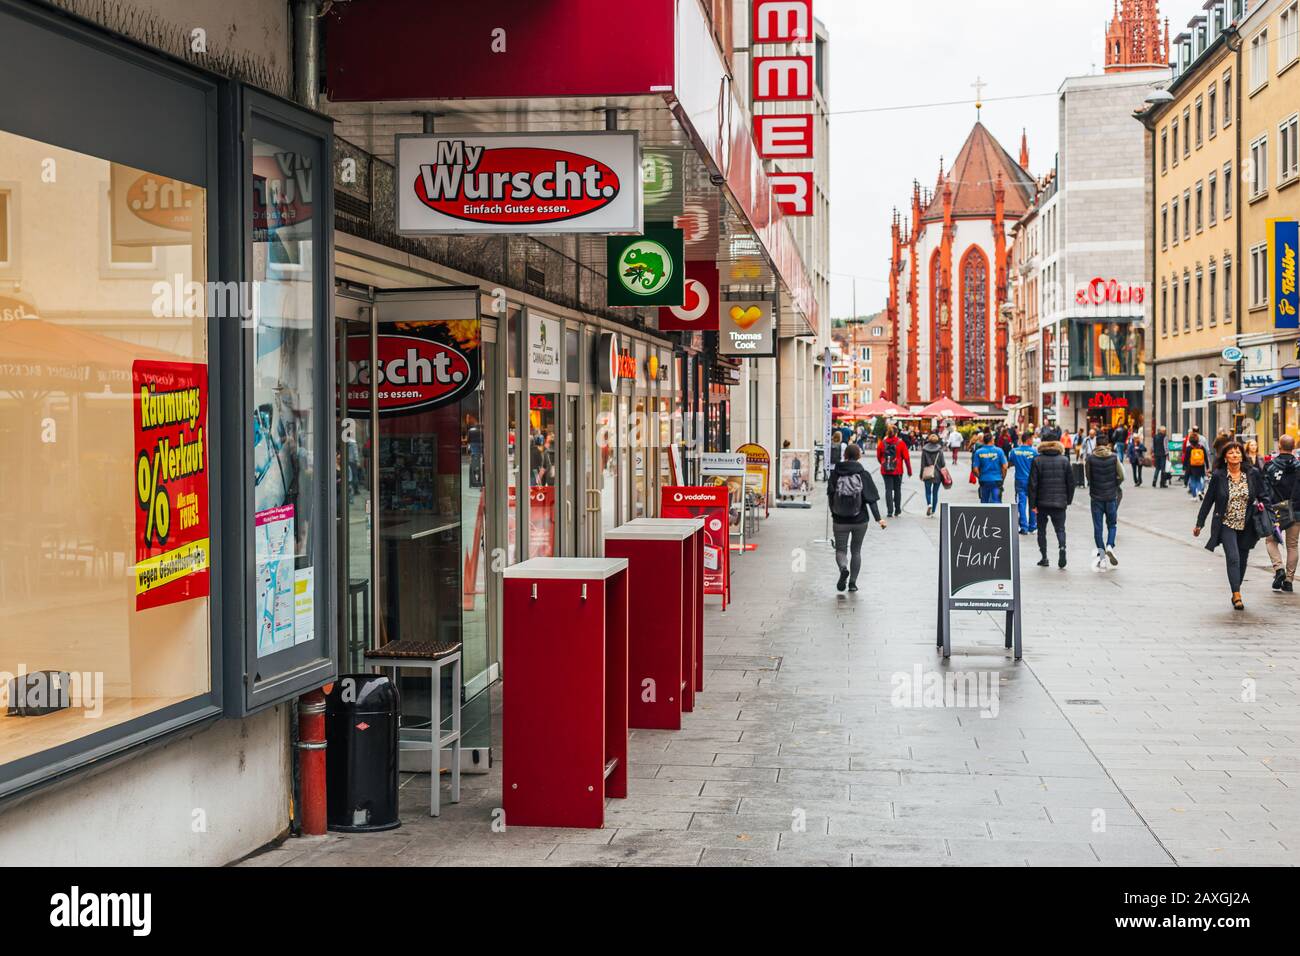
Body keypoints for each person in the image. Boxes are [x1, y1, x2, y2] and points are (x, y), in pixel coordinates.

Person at [1195, 441, 1267, 610]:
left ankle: (1237, 587)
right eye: (1231, 453)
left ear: (1242, 455)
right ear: (1225, 457)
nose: (1235, 455)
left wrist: (1270, 515)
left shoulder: (1253, 474)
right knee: (1233, 557)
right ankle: (1236, 595)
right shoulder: (1219, 476)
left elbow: (1264, 495)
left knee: (1243, 560)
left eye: (1238, 452)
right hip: (1226, 523)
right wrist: (1200, 523)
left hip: (1248, 523)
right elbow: (1208, 501)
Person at [828, 443, 885, 593]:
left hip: (840, 520)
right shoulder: (863, 474)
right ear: (859, 456)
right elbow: (871, 499)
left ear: (844, 455)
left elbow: (830, 495)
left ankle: (843, 568)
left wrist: (834, 513)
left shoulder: (835, 473)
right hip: (860, 520)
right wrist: (879, 519)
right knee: (856, 551)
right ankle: (852, 583)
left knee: (841, 550)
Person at [1027, 438, 1074, 568]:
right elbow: (1071, 483)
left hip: (1041, 503)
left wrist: (1032, 505)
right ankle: (1062, 547)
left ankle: (1044, 557)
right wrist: (1068, 500)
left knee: (1041, 530)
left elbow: (1032, 485)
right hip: (1059, 502)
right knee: (1060, 529)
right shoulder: (1065, 460)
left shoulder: (1037, 460)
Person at [1263, 434, 1300, 592]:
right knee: (1292, 545)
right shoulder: (1299, 466)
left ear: (1279, 447)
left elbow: (1264, 489)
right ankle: (1289, 580)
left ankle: (1279, 569)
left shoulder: (1270, 466)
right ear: (1293, 448)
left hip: (1275, 510)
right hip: (1296, 511)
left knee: (1271, 541)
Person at [1085, 432, 1124, 570]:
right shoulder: (1114, 457)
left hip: (1096, 497)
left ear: (1096, 444)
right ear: (1107, 444)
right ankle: (1110, 545)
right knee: (1112, 524)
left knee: (1098, 527)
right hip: (1111, 496)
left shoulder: (1090, 458)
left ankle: (1102, 558)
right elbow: (1122, 475)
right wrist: (1114, 483)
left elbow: (1088, 477)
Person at [876, 425, 912, 518]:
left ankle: (889, 511)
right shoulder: (901, 443)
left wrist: (884, 463)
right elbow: (906, 458)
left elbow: (879, 456)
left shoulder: (882, 443)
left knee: (888, 490)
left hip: (885, 470)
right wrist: (909, 470)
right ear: (896, 433)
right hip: (898, 470)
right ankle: (897, 510)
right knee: (897, 490)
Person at [1009, 435, 1038, 534]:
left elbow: (1010, 462)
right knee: (1033, 503)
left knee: (1021, 503)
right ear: (1029, 440)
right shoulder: (1034, 452)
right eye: (1032, 439)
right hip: (1032, 480)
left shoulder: (1014, 451)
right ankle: (1032, 526)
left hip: (1020, 480)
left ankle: (1024, 527)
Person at [971, 431, 1008, 503]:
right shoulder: (999, 451)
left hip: (984, 480)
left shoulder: (978, 452)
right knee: (996, 502)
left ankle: (985, 514)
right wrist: (1002, 478)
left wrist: (980, 476)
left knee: (984, 502)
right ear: (992, 440)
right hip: (997, 480)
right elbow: (1005, 467)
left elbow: (975, 469)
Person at [919, 432, 947, 517]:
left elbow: (922, 464)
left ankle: (929, 504)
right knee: (935, 493)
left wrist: (921, 474)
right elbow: (943, 463)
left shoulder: (924, 450)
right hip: (937, 474)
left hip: (927, 473)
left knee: (928, 491)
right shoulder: (940, 450)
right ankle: (933, 511)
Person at [1184, 429, 1209, 498]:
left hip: (1191, 467)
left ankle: (1194, 496)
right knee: (1198, 480)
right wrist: (1207, 467)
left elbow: (1186, 458)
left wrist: (1184, 467)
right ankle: (1200, 491)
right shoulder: (1201, 447)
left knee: (1192, 480)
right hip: (1200, 466)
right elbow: (1205, 458)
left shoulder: (1189, 448)